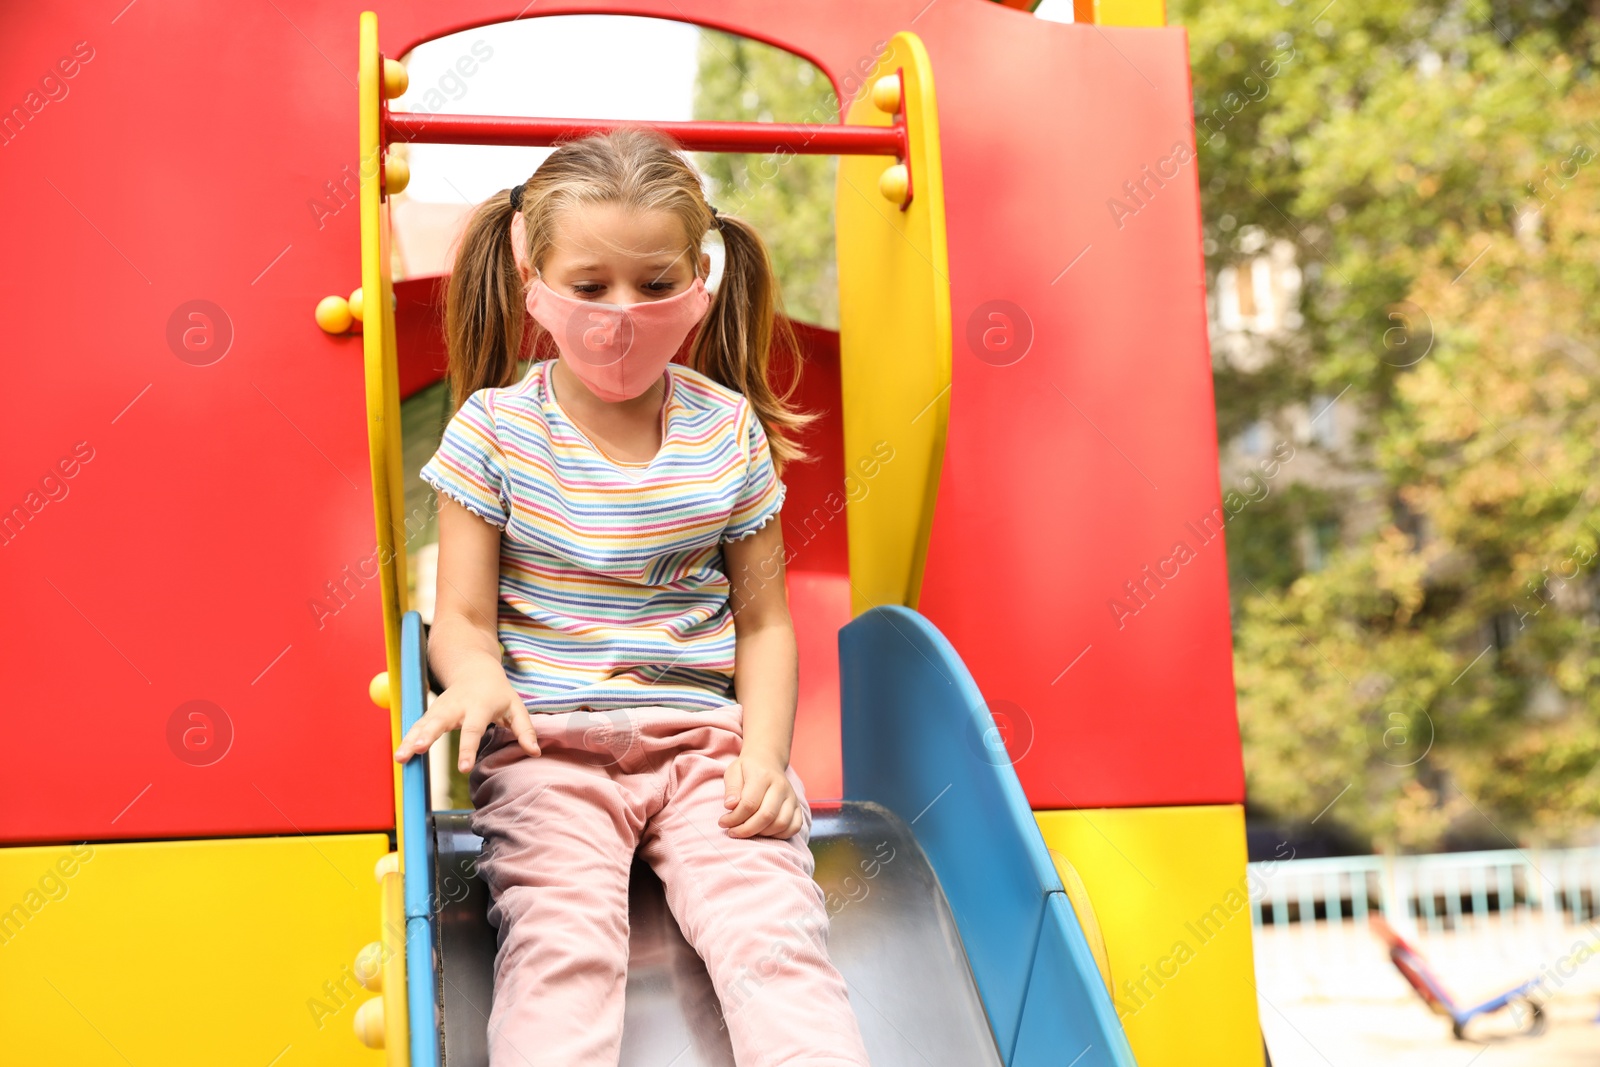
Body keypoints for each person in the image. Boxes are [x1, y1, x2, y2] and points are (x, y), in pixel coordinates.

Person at [392, 127, 871, 1067]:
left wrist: (767, 760)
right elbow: (461, 618)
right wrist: (478, 678)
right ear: (536, 278)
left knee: (771, 935)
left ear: (699, 277)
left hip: (702, 747)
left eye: (655, 285)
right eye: (590, 285)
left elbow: (765, 624)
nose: (622, 313)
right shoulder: (496, 430)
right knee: (564, 948)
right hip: (550, 749)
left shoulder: (726, 431)